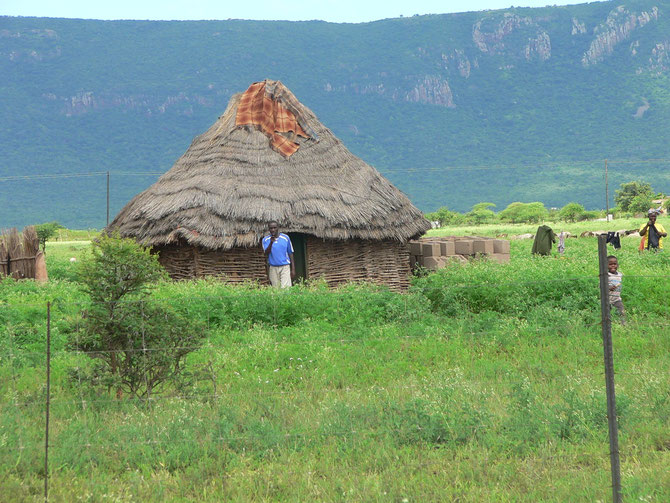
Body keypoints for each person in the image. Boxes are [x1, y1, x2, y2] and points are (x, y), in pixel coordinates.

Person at [262, 221, 295, 288]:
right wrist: (271, 243)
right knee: (276, 289)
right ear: (269, 229)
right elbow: (266, 253)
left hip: (285, 266)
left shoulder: (286, 238)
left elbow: (290, 253)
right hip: (273, 267)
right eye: (271, 228)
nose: (273, 230)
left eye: (275, 228)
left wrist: (293, 269)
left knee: (286, 288)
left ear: (278, 228)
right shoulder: (265, 240)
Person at [607, 255, 625, 325]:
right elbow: (601, 285)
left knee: (622, 312)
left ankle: (623, 325)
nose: (613, 266)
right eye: (610, 264)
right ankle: (609, 325)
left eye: (615, 264)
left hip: (617, 299)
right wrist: (608, 287)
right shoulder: (606, 275)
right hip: (607, 299)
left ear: (617, 265)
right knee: (607, 314)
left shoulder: (620, 275)